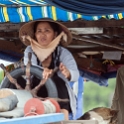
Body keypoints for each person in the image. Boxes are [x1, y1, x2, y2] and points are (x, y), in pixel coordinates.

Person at [19, 18, 80, 120]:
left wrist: (68, 73)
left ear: (55, 34)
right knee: (18, 81)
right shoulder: (30, 50)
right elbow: (30, 69)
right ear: (35, 35)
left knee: (59, 81)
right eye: (39, 31)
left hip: (57, 95)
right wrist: (42, 71)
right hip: (34, 92)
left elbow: (76, 75)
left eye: (47, 31)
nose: (43, 34)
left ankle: (63, 119)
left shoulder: (62, 52)